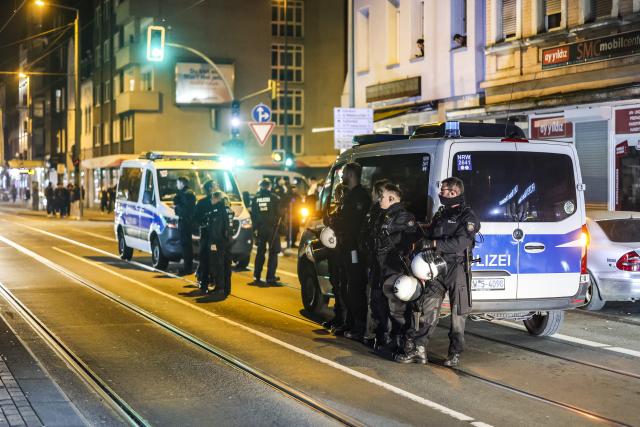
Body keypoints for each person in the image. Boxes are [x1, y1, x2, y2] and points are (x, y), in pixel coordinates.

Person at [395, 177, 479, 366]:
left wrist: (433, 243)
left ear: (454, 192)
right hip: (435, 267)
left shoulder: (468, 217)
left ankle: (455, 353)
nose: (440, 194)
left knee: (458, 314)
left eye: (444, 191)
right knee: (428, 309)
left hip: (456, 268)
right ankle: (419, 350)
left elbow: (460, 242)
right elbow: (430, 233)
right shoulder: (441, 213)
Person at [373, 183, 421, 352]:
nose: (379, 200)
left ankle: (402, 342)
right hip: (383, 268)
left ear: (392, 198)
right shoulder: (384, 215)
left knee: (397, 309)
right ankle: (390, 339)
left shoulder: (403, 216)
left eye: (382, 196)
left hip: (396, 268)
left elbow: (403, 242)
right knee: (382, 306)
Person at [331, 162, 371, 340]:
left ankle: (359, 325)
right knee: (345, 286)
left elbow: (353, 224)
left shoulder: (360, 197)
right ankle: (348, 322)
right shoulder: (350, 195)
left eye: (344, 173)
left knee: (355, 287)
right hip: (346, 247)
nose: (342, 177)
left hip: (354, 248)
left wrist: (335, 222)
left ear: (352, 175)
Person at [361, 179, 390, 345]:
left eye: (374, 192)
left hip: (382, 264)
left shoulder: (384, 213)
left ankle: (378, 334)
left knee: (378, 299)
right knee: (373, 298)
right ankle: (372, 333)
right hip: (373, 261)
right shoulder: (374, 211)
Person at [322, 182, 349, 331]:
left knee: (341, 287)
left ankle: (343, 319)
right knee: (335, 286)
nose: (335, 197)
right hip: (333, 253)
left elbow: (339, 227)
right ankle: (337, 316)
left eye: (337, 194)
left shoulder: (345, 211)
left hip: (341, 254)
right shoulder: (337, 209)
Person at [251, 179, 281, 286]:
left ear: (260, 186)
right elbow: (280, 213)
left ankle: (257, 275)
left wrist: (255, 229)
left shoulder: (255, 198)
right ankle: (270, 277)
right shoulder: (274, 197)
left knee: (260, 253)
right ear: (269, 186)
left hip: (260, 229)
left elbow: (253, 214)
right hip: (272, 229)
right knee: (273, 253)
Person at [194, 180, 218, 294]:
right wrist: (205, 223)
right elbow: (196, 218)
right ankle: (204, 282)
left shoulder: (218, 200)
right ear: (210, 189)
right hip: (207, 235)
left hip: (214, 235)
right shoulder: (203, 203)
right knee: (205, 259)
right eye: (215, 186)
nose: (217, 187)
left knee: (212, 258)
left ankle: (210, 280)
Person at [173, 176, 196, 275]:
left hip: (186, 222)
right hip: (185, 221)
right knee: (186, 245)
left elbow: (185, 209)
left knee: (186, 245)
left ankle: (188, 268)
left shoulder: (187, 194)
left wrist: (177, 207)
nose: (177, 185)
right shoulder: (185, 193)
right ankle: (187, 266)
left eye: (178, 183)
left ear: (182, 183)